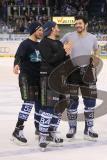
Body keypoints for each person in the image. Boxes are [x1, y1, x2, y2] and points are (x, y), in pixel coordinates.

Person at [61, 16, 100, 140]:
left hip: (87, 71)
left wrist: (96, 59)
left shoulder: (92, 37)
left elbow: (96, 50)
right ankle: (72, 128)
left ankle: (89, 129)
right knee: (72, 101)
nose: (78, 25)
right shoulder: (68, 36)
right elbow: (58, 46)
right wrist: (64, 51)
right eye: (76, 23)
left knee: (90, 101)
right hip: (72, 72)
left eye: (80, 23)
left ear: (86, 24)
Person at [38, 21, 71, 151]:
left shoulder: (58, 43)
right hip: (48, 78)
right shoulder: (44, 43)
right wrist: (64, 51)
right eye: (57, 27)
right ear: (52, 29)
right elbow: (51, 59)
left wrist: (67, 55)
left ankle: (52, 132)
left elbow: (62, 61)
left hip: (60, 78)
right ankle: (43, 135)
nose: (58, 29)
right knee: (48, 108)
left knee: (60, 107)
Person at [11, 22, 43, 145]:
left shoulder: (39, 44)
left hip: (38, 79)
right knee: (28, 104)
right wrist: (16, 65)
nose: (41, 32)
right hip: (27, 78)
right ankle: (17, 130)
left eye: (42, 30)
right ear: (33, 31)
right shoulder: (25, 44)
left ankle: (39, 129)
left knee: (40, 104)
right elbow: (18, 56)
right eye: (39, 30)